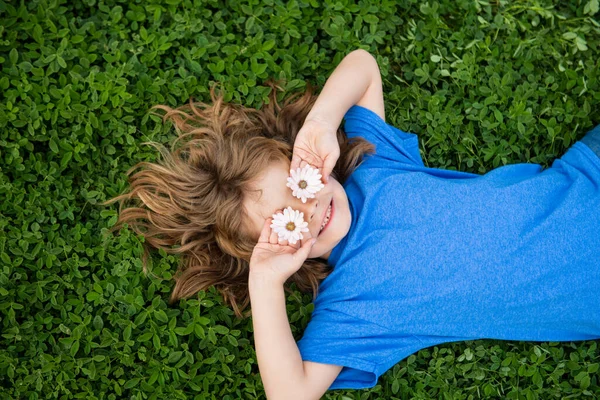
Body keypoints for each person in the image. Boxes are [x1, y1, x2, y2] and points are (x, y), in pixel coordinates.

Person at [103, 49, 600, 399]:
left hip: (587, 175)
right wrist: (264, 282)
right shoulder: (353, 308)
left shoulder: (374, 168)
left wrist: (319, 122)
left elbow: (363, 65)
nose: (312, 209)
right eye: (286, 224)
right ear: (274, 250)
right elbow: (291, 395)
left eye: (300, 184)